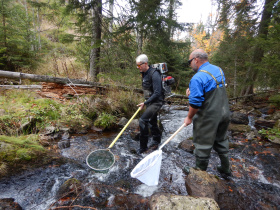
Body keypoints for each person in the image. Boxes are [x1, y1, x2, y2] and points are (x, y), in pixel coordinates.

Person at [184, 49, 231, 177]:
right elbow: (212, 88)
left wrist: (189, 118)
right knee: (221, 139)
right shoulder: (218, 70)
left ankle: (199, 173)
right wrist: (193, 91)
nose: (190, 65)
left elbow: (195, 104)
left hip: (208, 117)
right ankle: (226, 168)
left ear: (196, 60)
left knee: (202, 143)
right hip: (224, 113)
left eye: (190, 61)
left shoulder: (197, 78)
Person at [135, 54, 164, 154]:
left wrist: (145, 102)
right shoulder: (144, 73)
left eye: (139, 65)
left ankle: (143, 147)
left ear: (145, 63)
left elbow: (157, 92)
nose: (138, 67)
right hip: (150, 101)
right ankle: (156, 141)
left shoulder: (154, 74)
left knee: (143, 120)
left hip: (156, 101)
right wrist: (146, 101)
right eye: (137, 66)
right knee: (152, 121)